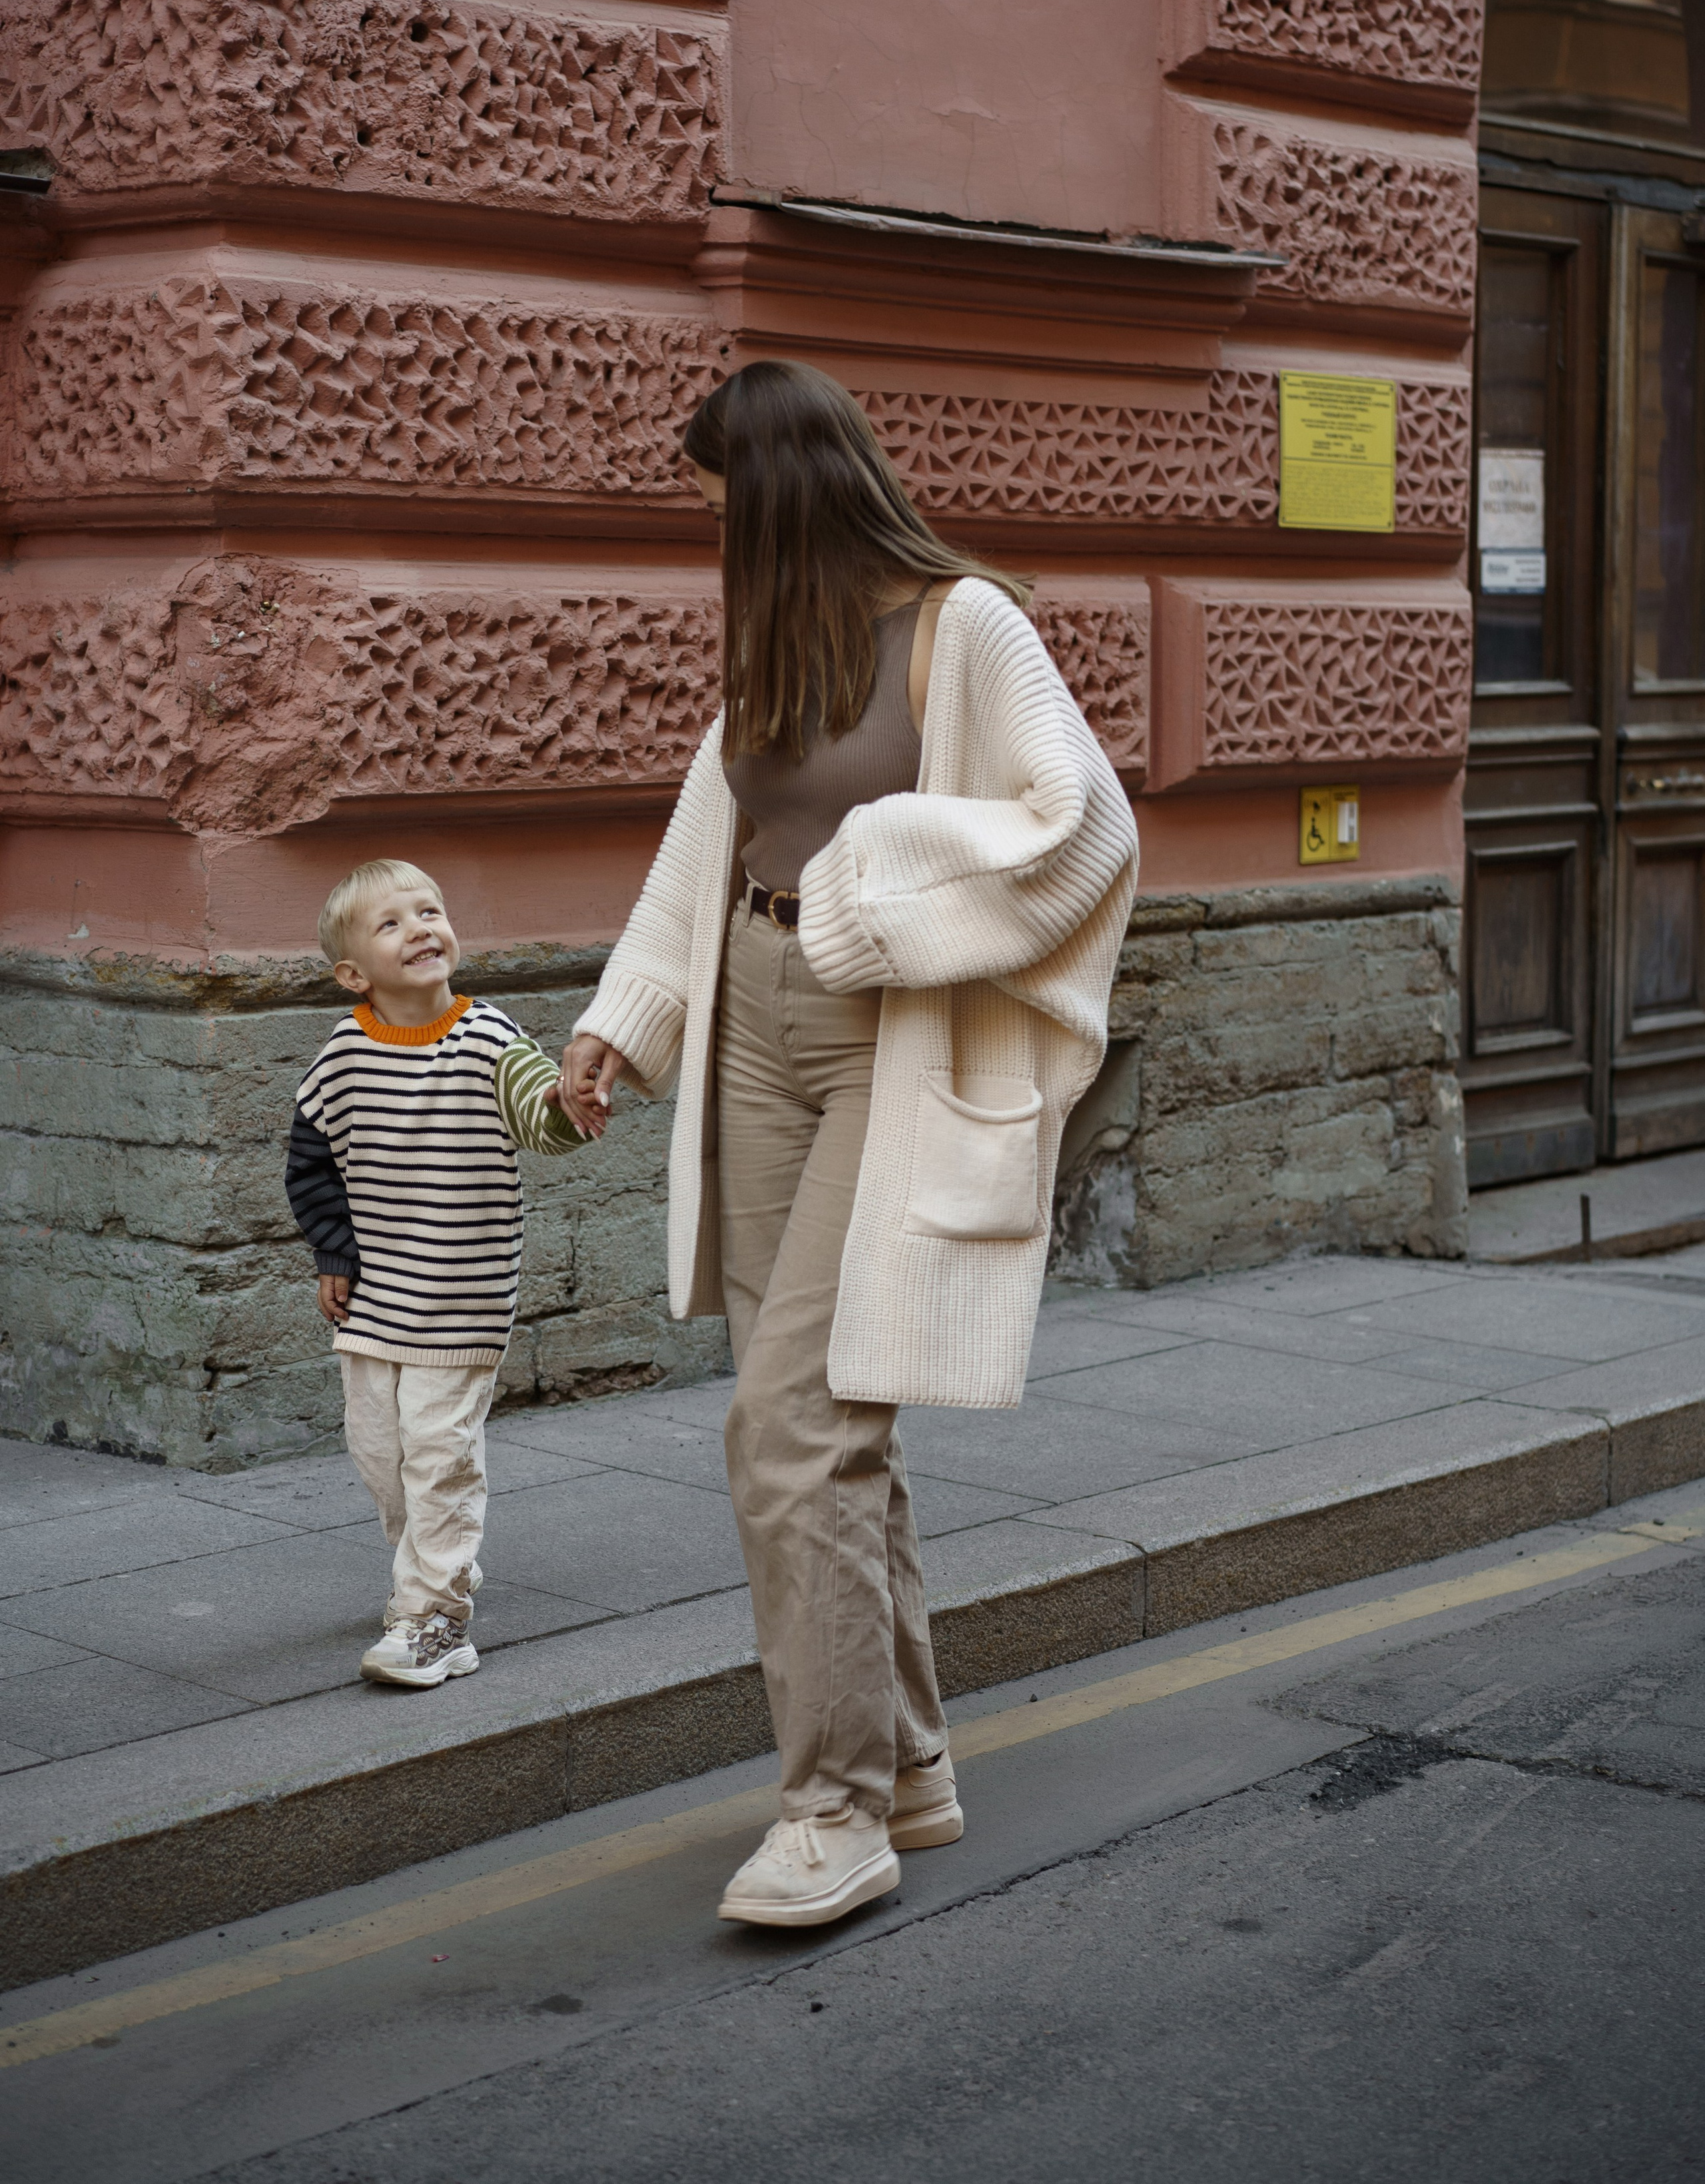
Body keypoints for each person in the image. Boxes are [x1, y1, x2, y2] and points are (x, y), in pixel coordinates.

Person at [563, 360, 1140, 1929]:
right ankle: (907, 1764)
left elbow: (1082, 824)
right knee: (820, 1424)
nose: (712, 545)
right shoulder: (775, 642)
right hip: (748, 1023)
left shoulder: (966, 627)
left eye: (718, 515)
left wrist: (881, 890)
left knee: (791, 1423)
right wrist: (631, 1015)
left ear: (777, 497)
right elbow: (713, 837)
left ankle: (828, 1812)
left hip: (880, 1028)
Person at [286, 859, 585, 1688]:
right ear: (352, 973)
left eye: (431, 911)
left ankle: (434, 1619)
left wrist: (568, 1101)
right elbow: (308, 1161)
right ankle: (433, 1554)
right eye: (392, 923)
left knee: (438, 1452)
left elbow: (538, 1116)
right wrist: (333, 1251)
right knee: (379, 1451)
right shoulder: (344, 1054)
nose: (421, 927)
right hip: (376, 1293)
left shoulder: (488, 1036)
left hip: (462, 1294)